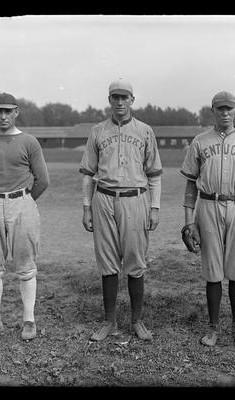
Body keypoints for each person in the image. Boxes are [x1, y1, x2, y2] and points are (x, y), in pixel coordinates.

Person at [179, 91, 235, 347]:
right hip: (208, 204)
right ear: (213, 111)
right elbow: (190, 185)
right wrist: (189, 221)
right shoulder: (199, 141)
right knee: (212, 271)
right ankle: (213, 328)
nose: (225, 113)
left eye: (229, 108)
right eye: (220, 109)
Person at [79, 79, 163, 342]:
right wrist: (86, 207)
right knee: (107, 262)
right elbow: (87, 173)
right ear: (109, 100)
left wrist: (155, 207)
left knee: (135, 261)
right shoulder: (97, 131)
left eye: (124, 97)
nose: (119, 102)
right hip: (103, 198)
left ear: (132, 100)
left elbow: (155, 175)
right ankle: (109, 322)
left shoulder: (145, 130)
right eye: (115, 97)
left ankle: (137, 321)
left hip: (135, 199)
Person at [0, 92, 50, 342]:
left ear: (16, 112)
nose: (3, 116)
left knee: (25, 265)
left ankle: (29, 321)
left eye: (8, 111)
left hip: (23, 202)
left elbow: (43, 180)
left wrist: (23, 201)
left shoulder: (29, 142)